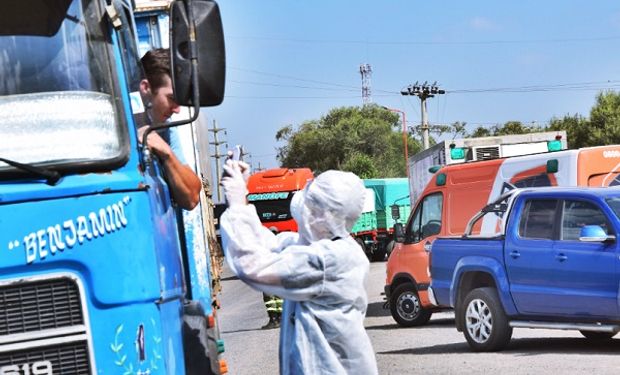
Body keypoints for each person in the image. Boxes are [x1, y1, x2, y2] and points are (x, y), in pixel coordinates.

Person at [220, 161, 378, 375]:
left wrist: (237, 206)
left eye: (312, 205)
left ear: (327, 215)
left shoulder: (331, 259)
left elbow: (253, 266)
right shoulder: (317, 247)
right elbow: (269, 245)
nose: (304, 208)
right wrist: (243, 196)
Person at [138, 48, 201, 210]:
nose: (177, 109)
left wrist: (166, 153)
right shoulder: (114, 121)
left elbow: (192, 197)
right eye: (172, 98)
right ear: (146, 88)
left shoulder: (164, 129)